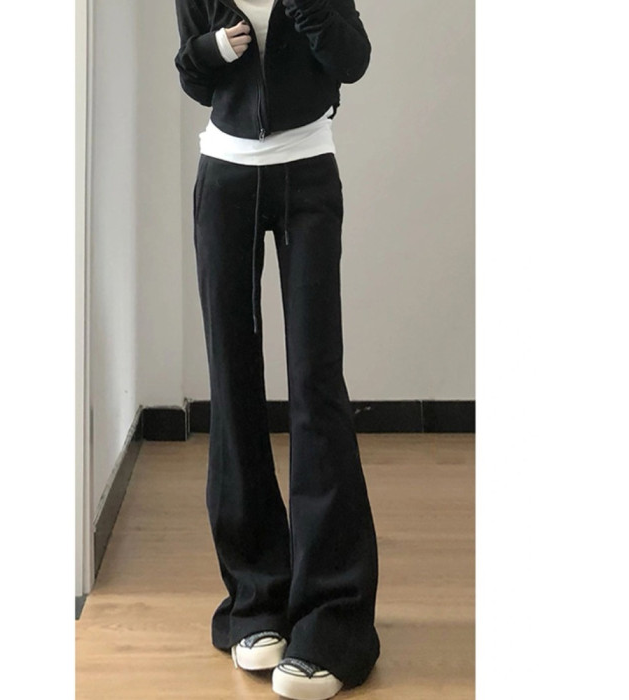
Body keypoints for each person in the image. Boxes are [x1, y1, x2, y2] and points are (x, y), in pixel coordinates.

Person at [174, 2, 379, 698]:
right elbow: (193, 76)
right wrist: (215, 48)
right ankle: (255, 600)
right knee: (233, 387)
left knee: (316, 388)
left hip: (308, 174)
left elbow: (352, 58)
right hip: (224, 179)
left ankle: (333, 619)